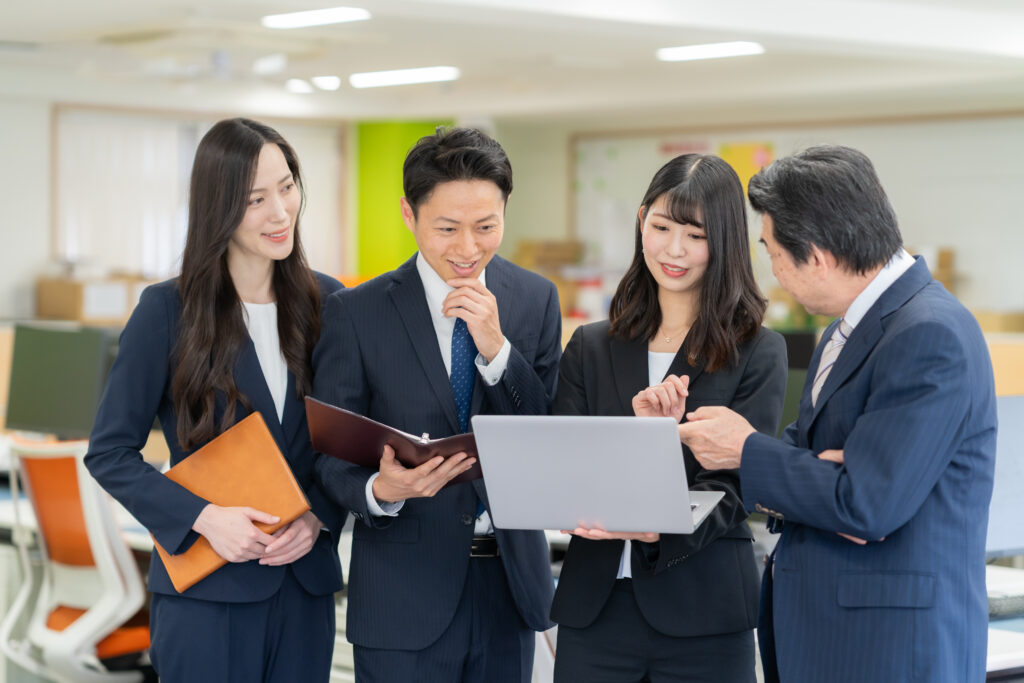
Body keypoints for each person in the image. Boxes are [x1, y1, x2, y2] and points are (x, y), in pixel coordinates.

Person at [678, 145, 997, 683]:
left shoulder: (929, 334)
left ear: (819, 257)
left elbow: (866, 504)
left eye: (773, 253)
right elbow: (806, 455)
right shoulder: (846, 329)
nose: (774, 273)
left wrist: (749, 450)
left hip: (889, 648)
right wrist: (822, 475)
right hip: (831, 635)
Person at [85, 118, 345, 682]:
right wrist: (204, 518)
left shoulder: (330, 302)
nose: (281, 212)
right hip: (209, 588)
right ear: (219, 206)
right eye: (256, 199)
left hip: (304, 586)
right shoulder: (166, 311)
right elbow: (109, 452)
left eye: (287, 186)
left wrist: (320, 518)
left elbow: (344, 440)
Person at [312, 126, 561, 683]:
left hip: (509, 591)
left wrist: (497, 349)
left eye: (486, 227)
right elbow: (329, 456)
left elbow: (548, 434)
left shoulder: (534, 299)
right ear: (409, 214)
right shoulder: (356, 313)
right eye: (447, 228)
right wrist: (379, 492)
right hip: (403, 597)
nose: (468, 249)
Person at [550, 154, 787, 683]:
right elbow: (566, 464)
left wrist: (660, 529)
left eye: (695, 235)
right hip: (597, 609)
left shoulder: (757, 351)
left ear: (723, 241)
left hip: (703, 612)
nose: (673, 250)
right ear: (641, 223)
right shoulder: (590, 346)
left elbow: (737, 484)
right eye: (660, 228)